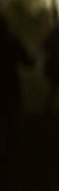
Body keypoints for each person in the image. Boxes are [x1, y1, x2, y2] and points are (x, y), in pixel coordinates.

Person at [0, 14, 34, 155]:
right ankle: (12, 153)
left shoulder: (12, 43)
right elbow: (28, 62)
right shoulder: (12, 43)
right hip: (11, 88)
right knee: (12, 121)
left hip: (8, 88)